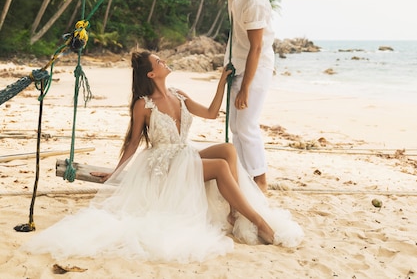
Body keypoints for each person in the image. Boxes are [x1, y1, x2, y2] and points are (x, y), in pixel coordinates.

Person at [23, 50, 302, 263]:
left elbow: (212, 113)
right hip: (163, 167)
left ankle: (233, 212)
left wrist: (221, 82)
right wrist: (114, 173)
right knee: (217, 165)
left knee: (227, 150)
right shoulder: (143, 105)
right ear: (151, 74)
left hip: (185, 155)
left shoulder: (178, 94)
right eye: (159, 62)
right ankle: (260, 223)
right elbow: (132, 144)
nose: (164, 62)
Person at [196, 0, 275, 193]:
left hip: (256, 67)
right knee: (235, 127)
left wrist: (246, 88)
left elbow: (257, 48)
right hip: (237, 64)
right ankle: (244, 176)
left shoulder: (254, 1)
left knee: (247, 126)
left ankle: (260, 180)